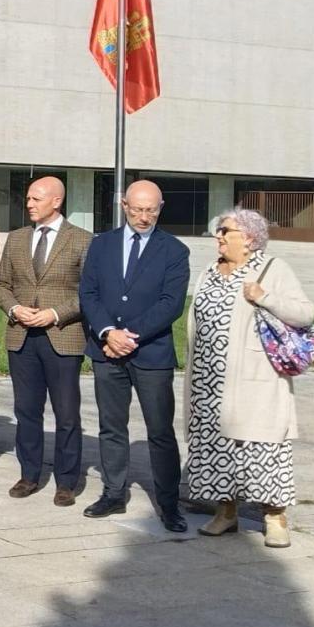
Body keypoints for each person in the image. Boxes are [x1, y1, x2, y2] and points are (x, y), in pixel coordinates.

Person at [187, 209, 314, 548]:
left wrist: (264, 298)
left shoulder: (273, 269)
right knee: (217, 449)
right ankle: (225, 512)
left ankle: (274, 517)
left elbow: (305, 313)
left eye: (225, 230)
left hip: (255, 381)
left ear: (248, 237)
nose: (218, 236)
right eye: (218, 230)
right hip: (208, 382)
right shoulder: (209, 273)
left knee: (263, 448)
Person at [78, 180, 191, 531]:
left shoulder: (174, 251)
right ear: (124, 205)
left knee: (160, 431)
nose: (144, 217)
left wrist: (131, 336)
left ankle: (169, 503)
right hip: (106, 350)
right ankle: (113, 493)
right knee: (112, 427)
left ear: (160, 208)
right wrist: (108, 333)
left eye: (151, 210)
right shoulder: (101, 245)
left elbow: (171, 304)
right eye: (138, 209)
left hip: (151, 354)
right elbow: (88, 293)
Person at [0, 176, 91, 507]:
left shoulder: (82, 241)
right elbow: (2, 284)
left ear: (56, 201)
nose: (29, 204)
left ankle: (66, 482)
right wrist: (14, 307)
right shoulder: (18, 239)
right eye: (29, 198)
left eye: (37, 198)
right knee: (26, 412)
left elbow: (88, 293)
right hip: (22, 337)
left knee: (66, 414)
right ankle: (29, 474)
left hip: (62, 337)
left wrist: (54, 314)